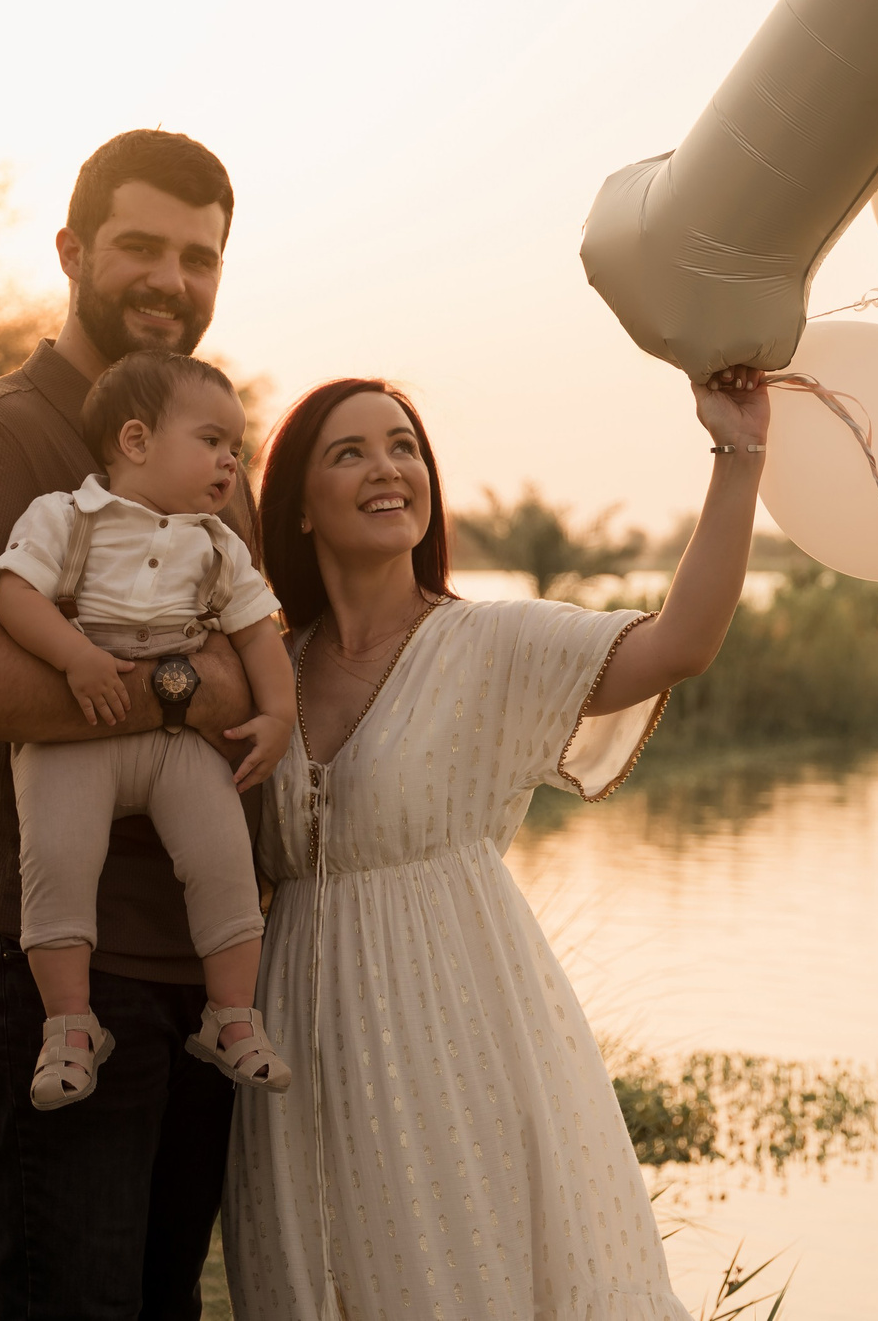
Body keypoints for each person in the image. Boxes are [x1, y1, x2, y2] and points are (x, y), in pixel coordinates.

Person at [222, 368, 769, 1321]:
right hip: (297, 1045)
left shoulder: (491, 644)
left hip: (452, 1031)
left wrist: (738, 452)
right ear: (299, 508)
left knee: (457, 1274)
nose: (388, 468)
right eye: (349, 452)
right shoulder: (274, 663)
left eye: (404, 447)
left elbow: (680, 641)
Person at [0, 129, 255, 1320]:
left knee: (162, 1307)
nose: (169, 280)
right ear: (72, 251)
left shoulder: (208, 454)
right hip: (43, 968)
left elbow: (260, 664)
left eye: (198, 257)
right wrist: (172, 690)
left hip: (194, 976)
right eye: (140, 246)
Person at [0, 350, 296, 1110]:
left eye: (238, 448)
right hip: (74, 735)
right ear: (135, 442)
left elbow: (261, 635)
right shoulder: (67, 517)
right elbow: (15, 596)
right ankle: (69, 1027)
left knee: (226, 858)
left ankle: (231, 1019)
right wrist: (75, 657)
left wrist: (278, 716)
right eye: (212, 441)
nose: (231, 461)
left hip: (174, 744)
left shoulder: (218, 544)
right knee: (56, 861)